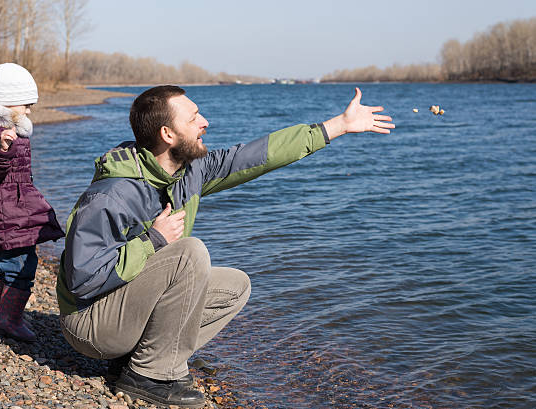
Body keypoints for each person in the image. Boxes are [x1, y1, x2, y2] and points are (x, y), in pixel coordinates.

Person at [57, 85, 394, 407]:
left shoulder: (188, 172)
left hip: (123, 314)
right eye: (193, 118)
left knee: (234, 286)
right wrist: (152, 241)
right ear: (167, 134)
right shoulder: (112, 195)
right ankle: (150, 376)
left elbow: (256, 157)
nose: (205, 123)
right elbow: (83, 280)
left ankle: (144, 359)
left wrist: (339, 125)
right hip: (91, 325)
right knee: (190, 253)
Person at [0, 63, 64, 343]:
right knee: (19, 268)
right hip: (4, 210)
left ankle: (3, 314)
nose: (29, 110)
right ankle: (7, 319)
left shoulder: (0, 126)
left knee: (19, 265)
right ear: (5, 101)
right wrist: (2, 149)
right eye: (26, 104)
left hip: (11, 207)